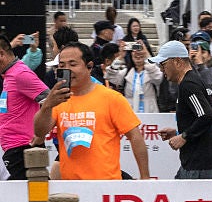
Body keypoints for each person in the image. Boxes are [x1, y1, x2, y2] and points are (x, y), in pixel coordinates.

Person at [32, 43, 149, 180]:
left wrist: (145, 178)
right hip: (71, 191)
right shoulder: (58, 100)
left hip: (106, 188)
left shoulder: (111, 98)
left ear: (89, 66)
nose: (67, 70)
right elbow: (39, 132)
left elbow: (135, 137)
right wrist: (47, 105)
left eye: (73, 64)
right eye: (62, 66)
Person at [151, 41, 212, 179]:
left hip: (200, 163)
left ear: (177, 62)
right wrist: (178, 132)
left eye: (163, 64)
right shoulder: (193, 81)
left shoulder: (188, 84)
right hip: (200, 160)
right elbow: (202, 115)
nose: (161, 69)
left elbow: (207, 116)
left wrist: (184, 137)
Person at [0, 36, 49, 180]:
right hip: (15, 149)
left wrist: (39, 134)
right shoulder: (10, 75)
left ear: (1, 54)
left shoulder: (20, 74)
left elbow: (50, 98)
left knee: (23, 198)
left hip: (22, 148)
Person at [106, 40, 163, 113]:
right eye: (134, 51)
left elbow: (158, 77)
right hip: (130, 114)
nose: (137, 53)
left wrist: (147, 55)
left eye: (140, 50)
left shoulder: (152, 72)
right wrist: (120, 57)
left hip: (150, 115)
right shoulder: (126, 73)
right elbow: (109, 75)